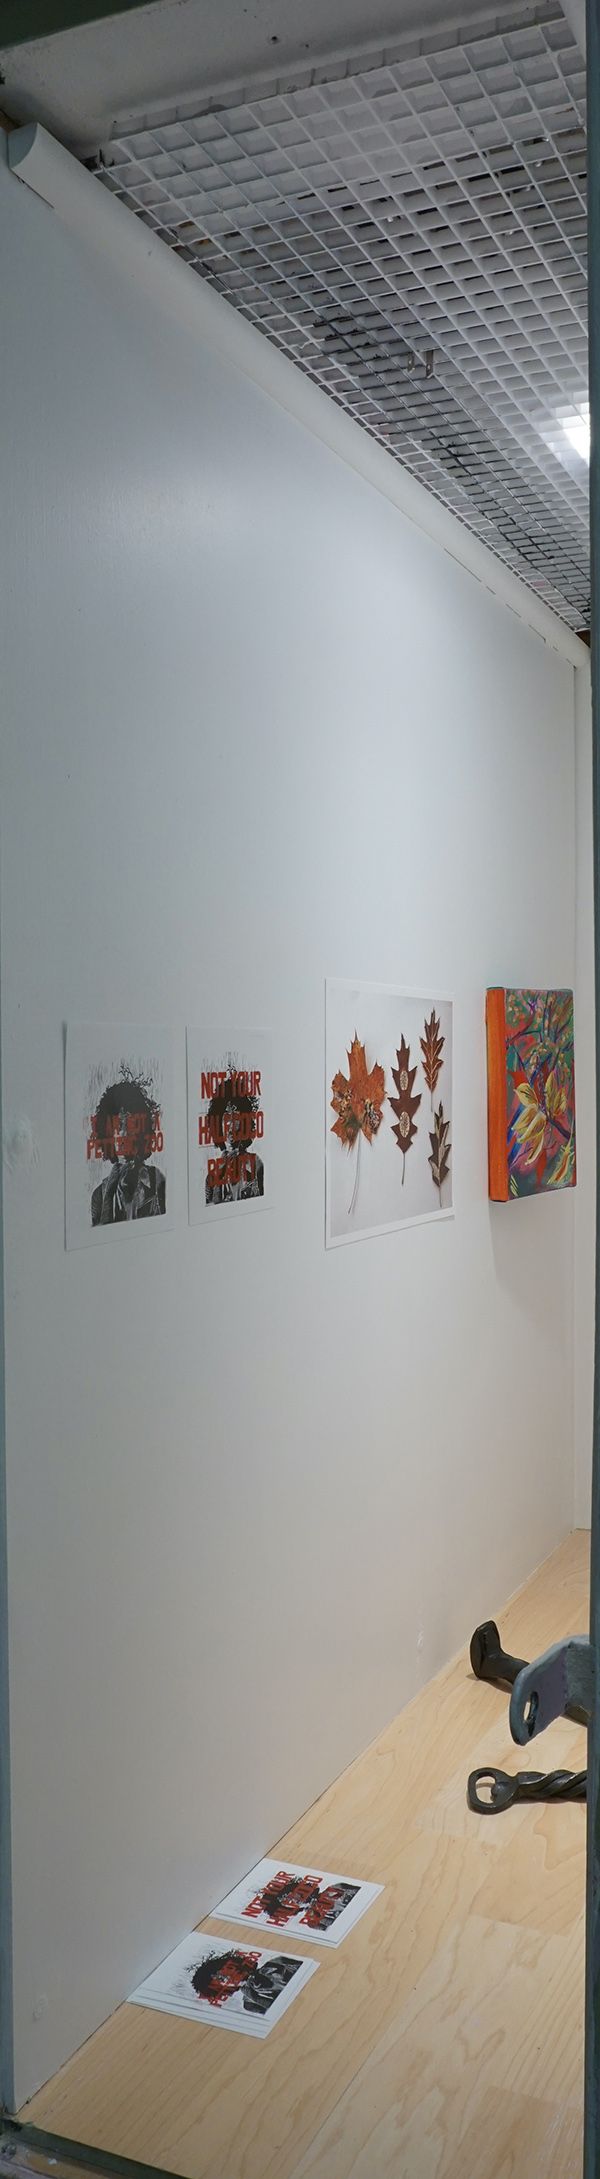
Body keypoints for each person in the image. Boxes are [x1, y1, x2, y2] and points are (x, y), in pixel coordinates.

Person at [90, 1075, 166, 1225]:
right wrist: (109, 1194)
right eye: (118, 1126)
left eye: (130, 1125)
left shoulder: (156, 1179)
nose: (123, 1134)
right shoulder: (100, 1194)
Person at [204, 1069, 264, 1206]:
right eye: (226, 1119)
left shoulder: (256, 1165)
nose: (230, 1127)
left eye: (236, 1118)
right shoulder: (212, 1175)